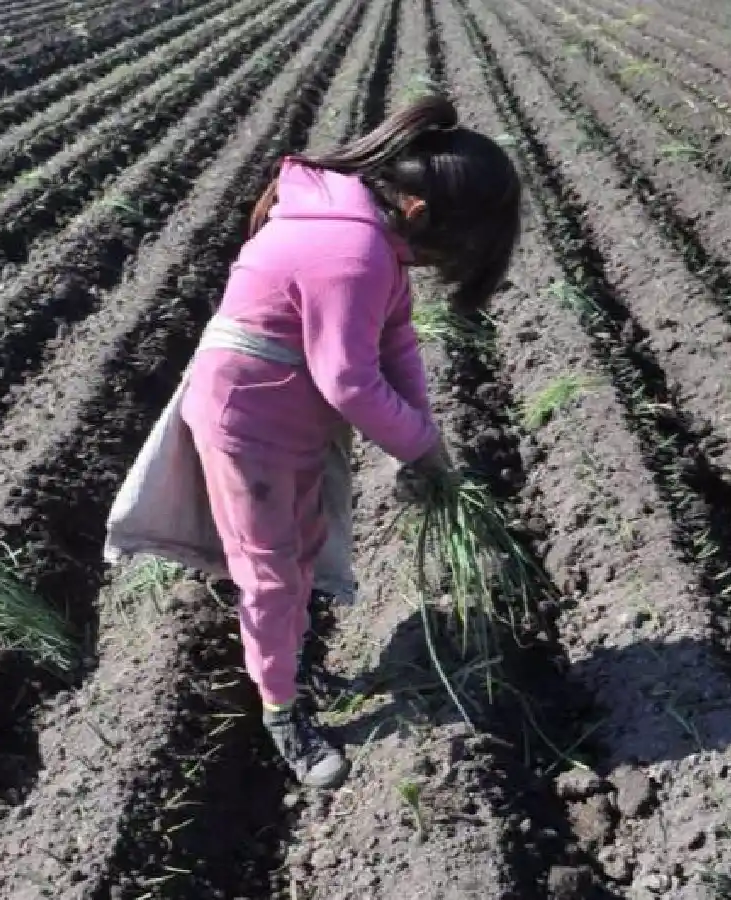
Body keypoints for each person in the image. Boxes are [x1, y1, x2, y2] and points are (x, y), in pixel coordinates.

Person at [180, 94, 522, 789]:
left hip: (288, 413)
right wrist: (421, 449)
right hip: (249, 421)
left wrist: (427, 442)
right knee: (271, 573)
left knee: (302, 547)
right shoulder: (354, 248)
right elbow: (349, 381)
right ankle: (282, 714)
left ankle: (295, 662)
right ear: (421, 213)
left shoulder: (371, 232)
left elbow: (396, 344)